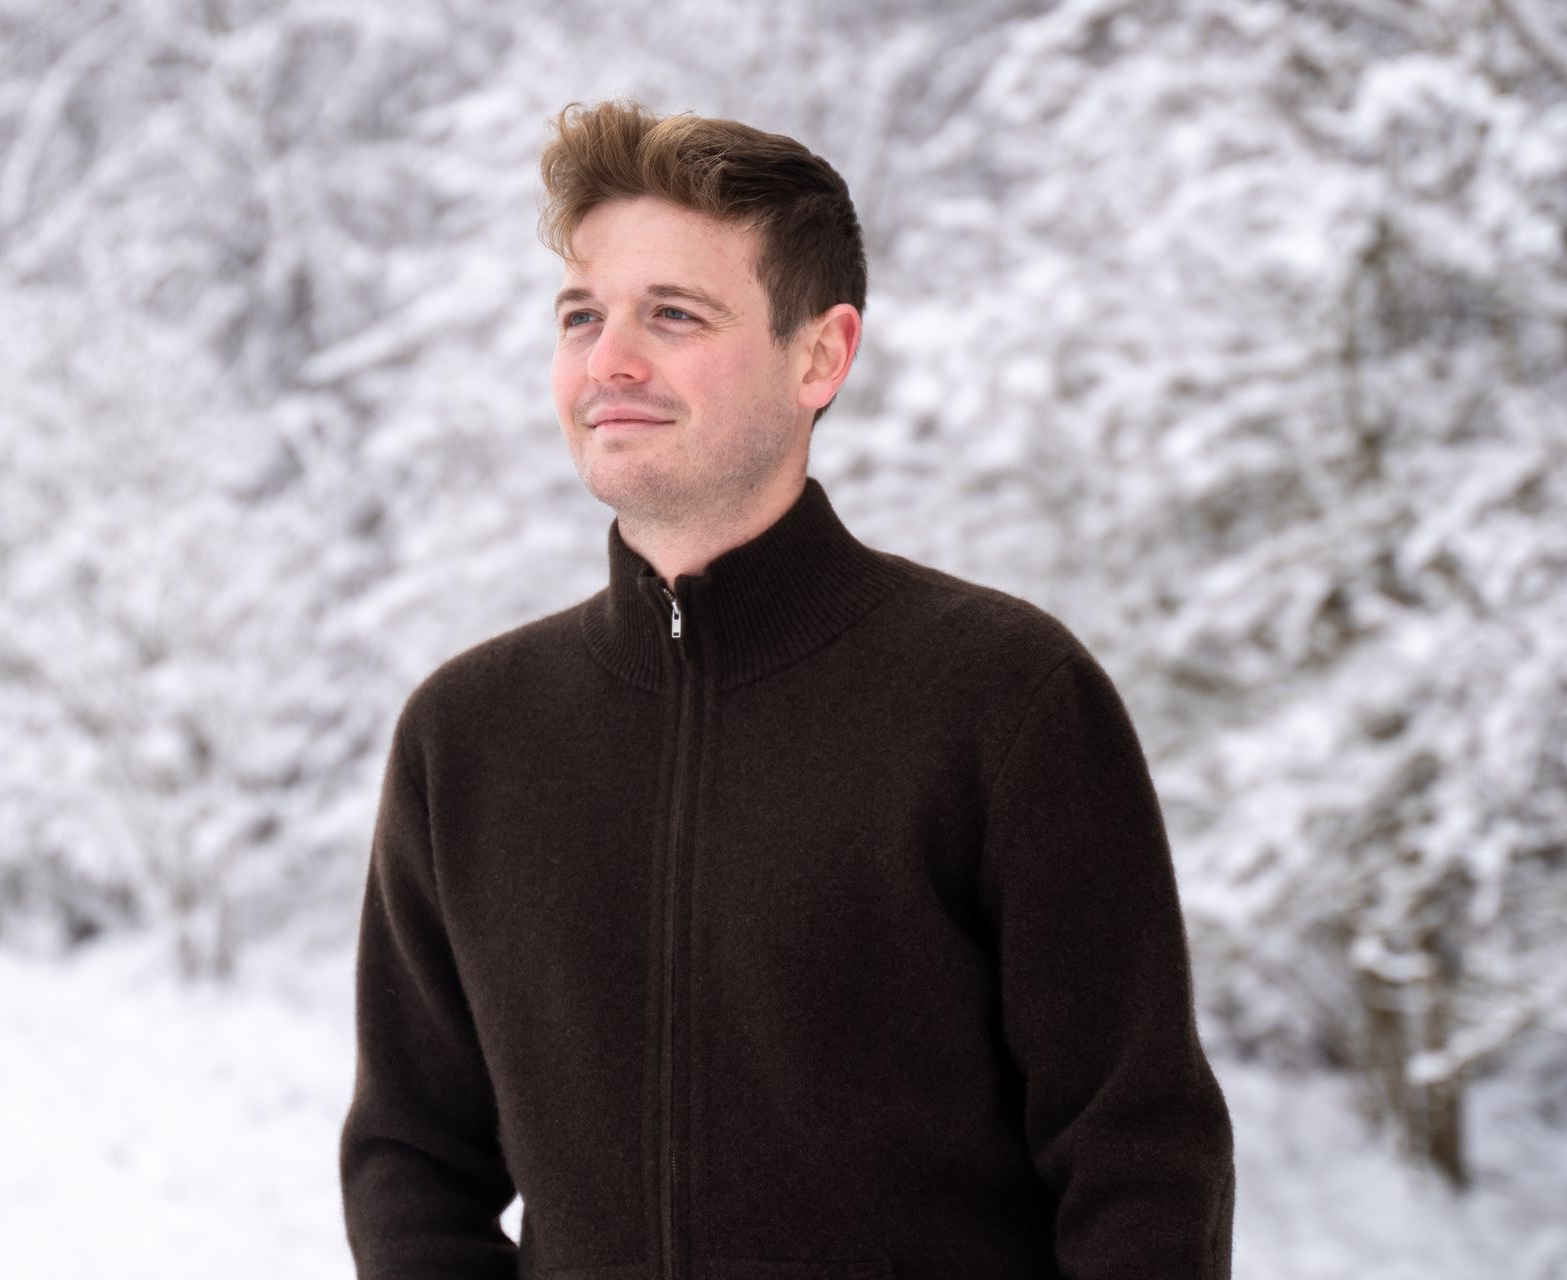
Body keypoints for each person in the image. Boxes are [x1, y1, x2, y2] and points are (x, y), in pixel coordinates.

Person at [338, 98, 1235, 1280]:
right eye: (581, 315)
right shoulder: (469, 735)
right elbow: (412, 1157)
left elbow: (1140, 1158)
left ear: (820, 353)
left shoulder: (1005, 699)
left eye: (673, 314)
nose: (609, 360)